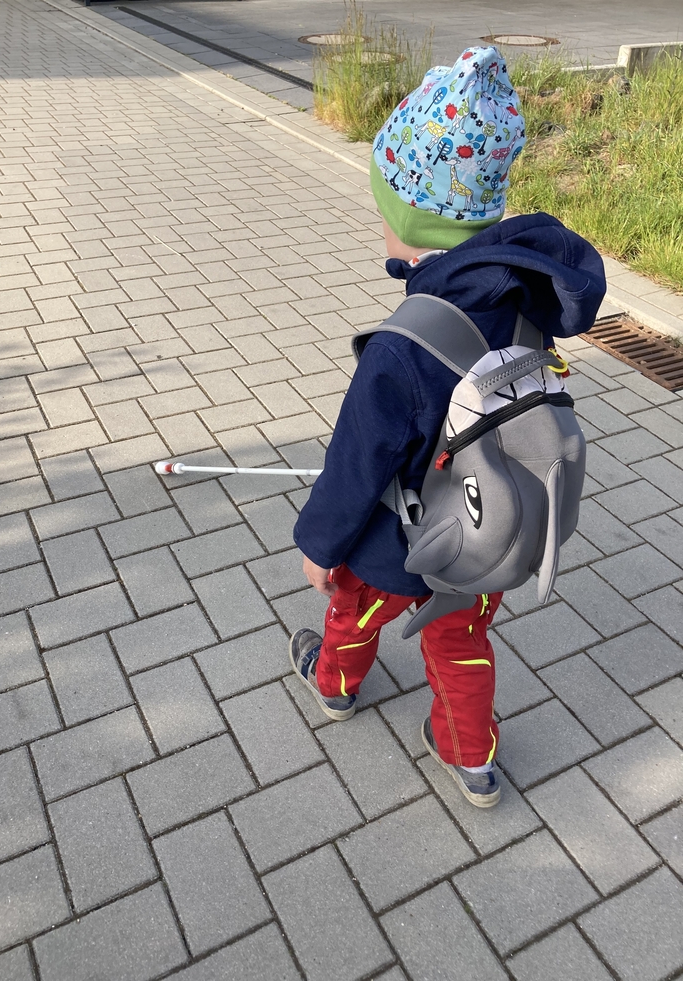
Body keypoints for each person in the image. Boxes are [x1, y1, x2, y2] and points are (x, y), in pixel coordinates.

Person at [290, 46, 606, 807]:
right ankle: (472, 758)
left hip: (398, 544)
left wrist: (319, 546)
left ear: (410, 214)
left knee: (352, 609)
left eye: (385, 209)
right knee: (460, 640)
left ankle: (334, 682)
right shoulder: (521, 295)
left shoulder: (402, 349)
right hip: (487, 533)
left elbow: (356, 463)